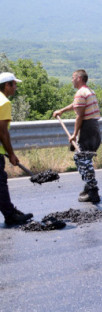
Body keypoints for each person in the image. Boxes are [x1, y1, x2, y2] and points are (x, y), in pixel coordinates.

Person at [52, 69, 102, 203]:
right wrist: (62, 111)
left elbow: (79, 116)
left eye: (73, 77)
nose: (72, 80)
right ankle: (88, 186)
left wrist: (74, 135)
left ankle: (92, 190)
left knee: (82, 159)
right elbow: (77, 105)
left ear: (79, 78)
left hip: (88, 128)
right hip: (94, 127)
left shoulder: (80, 93)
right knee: (85, 158)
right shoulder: (89, 91)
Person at [0, 72, 33, 226]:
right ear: (7, 85)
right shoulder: (4, 102)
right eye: (14, 84)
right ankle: (10, 215)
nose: (16, 87)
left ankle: (10, 211)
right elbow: (2, 130)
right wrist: (11, 154)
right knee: (1, 183)